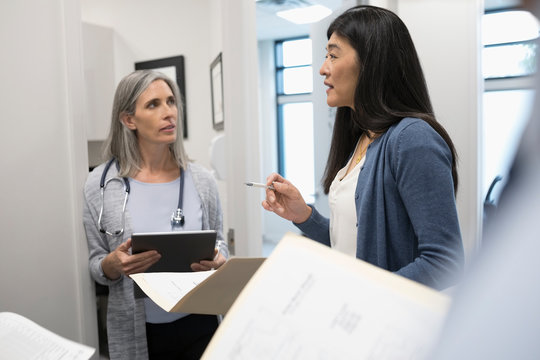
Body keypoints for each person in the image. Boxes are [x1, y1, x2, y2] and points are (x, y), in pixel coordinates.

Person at [262, 5, 463, 290]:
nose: (323, 68)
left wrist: (363, 293)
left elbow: (445, 263)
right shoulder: (363, 137)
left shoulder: (412, 140)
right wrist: (303, 216)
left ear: (371, 62)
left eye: (333, 55)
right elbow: (351, 245)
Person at [83, 70, 228, 360]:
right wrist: (113, 264)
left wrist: (219, 257)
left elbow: (220, 242)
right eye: (154, 104)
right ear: (129, 119)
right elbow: (97, 265)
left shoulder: (201, 181)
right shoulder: (101, 185)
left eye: (171, 102)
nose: (168, 113)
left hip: (200, 323)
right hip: (140, 331)